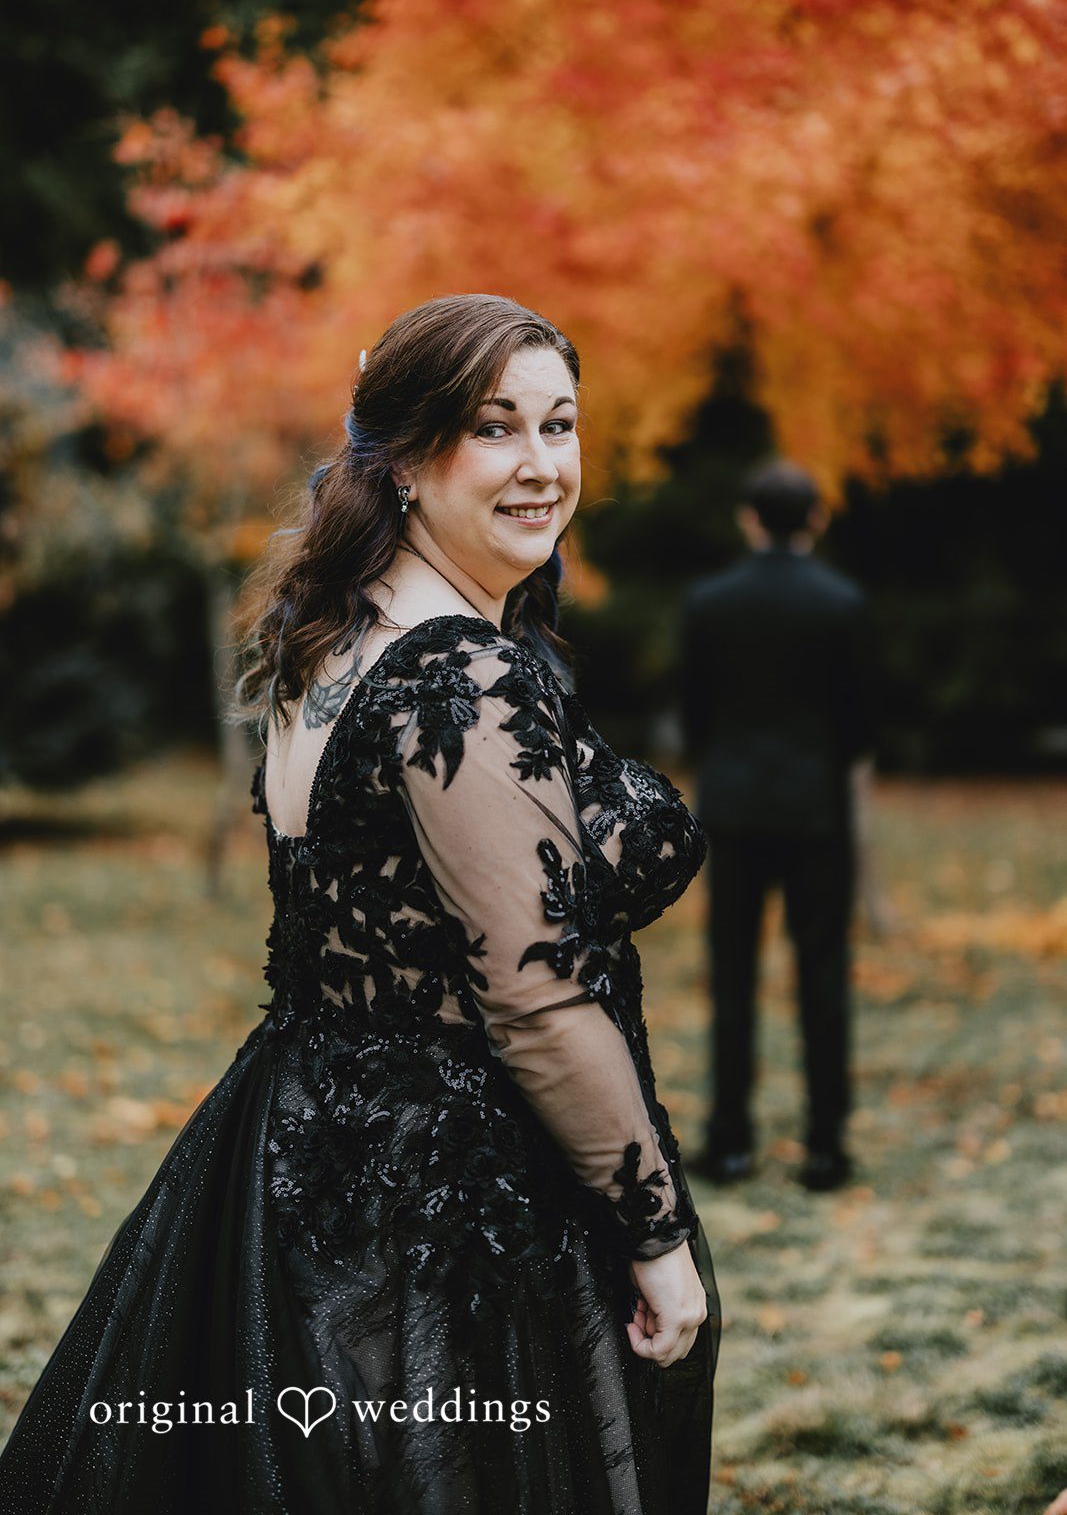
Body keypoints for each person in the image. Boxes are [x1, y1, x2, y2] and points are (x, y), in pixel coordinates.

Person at [0, 294, 721, 1514]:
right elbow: (535, 998)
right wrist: (653, 1235)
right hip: (452, 1208)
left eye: (558, 424)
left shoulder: (335, 634)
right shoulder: (458, 673)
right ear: (404, 461)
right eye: (493, 427)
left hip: (303, 1150)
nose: (540, 463)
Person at [679, 459, 876, 1193]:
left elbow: (695, 713)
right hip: (815, 810)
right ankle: (825, 1146)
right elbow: (860, 723)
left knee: (732, 976)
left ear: (749, 519)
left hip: (733, 810)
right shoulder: (842, 603)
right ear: (816, 519)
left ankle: (729, 1141)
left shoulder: (709, 602)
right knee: (822, 974)